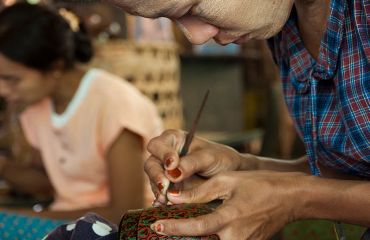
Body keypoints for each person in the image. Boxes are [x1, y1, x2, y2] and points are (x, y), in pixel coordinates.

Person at [105, 0, 370, 239]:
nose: (196, 37)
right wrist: (243, 167)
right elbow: (354, 176)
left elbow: (317, 190)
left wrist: (297, 197)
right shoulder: (286, 26)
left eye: (193, 7)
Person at [0, 2, 162, 225]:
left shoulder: (114, 103)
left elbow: (126, 211)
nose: (2, 90)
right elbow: (50, 184)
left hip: (119, 230)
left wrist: (23, 221)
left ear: (55, 67)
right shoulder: (34, 106)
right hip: (66, 223)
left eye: (12, 79)